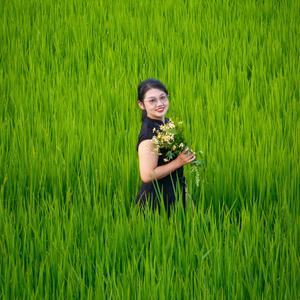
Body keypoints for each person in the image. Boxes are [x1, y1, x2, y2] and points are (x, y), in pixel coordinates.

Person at [135, 78, 196, 216]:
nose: (160, 104)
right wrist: (179, 162)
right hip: (158, 200)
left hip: (176, 190)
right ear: (141, 104)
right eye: (152, 100)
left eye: (163, 97)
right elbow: (147, 175)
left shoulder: (166, 123)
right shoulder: (149, 137)